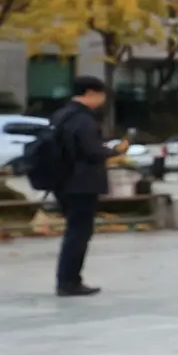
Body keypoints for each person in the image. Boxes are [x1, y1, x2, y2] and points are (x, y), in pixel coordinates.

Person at [42, 77, 109, 297]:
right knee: (79, 233)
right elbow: (92, 152)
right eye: (100, 95)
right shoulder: (83, 119)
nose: (102, 100)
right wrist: (114, 152)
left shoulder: (61, 115)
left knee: (74, 231)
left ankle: (67, 280)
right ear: (91, 93)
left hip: (62, 181)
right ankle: (69, 281)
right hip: (83, 183)